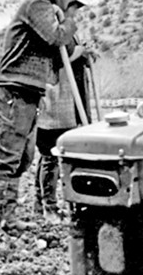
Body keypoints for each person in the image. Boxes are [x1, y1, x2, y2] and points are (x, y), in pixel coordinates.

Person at [0, 0, 82, 239]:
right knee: (7, 156)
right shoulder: (37, 5)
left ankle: (9, 218)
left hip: (29, 92)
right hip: (14, 91)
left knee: (23, 158)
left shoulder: (48, 13)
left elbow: (59, 55)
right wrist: (70, 18)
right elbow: (56, 37)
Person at [34, 30, 96, 225]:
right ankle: (49, 207)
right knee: (50, 156)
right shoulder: (46, 31)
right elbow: (53, 61)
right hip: (54, 105)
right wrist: (79, 51)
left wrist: (87, 55)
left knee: (51, 157)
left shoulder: (72, 33)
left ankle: (41, 204)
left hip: (72, 104)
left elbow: (77, 60)